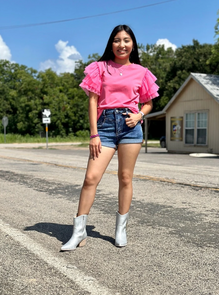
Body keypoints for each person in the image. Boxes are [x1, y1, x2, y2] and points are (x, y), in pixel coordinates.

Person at [61, 24, 159, 251]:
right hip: (104, 126)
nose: (121, 44)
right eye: (117, 40)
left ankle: (120, 230)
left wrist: (138, 116)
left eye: (126, 40)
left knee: (125, 178)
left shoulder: (141, 72)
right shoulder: (99, 67)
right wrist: (94, 134)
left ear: (132, 44)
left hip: (130, 126)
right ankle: (78, 232)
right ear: (111, 43)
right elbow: (93, 101)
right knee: (90, 178)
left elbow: (148, 103)